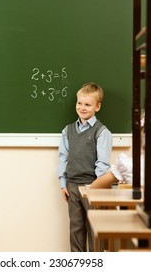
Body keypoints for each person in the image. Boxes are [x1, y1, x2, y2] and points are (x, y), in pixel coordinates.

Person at [57, 82, 112, 252]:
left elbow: (102, 164)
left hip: (92, 187)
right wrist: (63, 182)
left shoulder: (102, 132)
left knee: (94, 230)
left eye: (87, 104)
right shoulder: (67, 131)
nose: (82, 107)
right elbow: (63, 157)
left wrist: (95, 188)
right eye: (79, 103)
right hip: (72, 186)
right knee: (76, 229)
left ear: (97, 107)